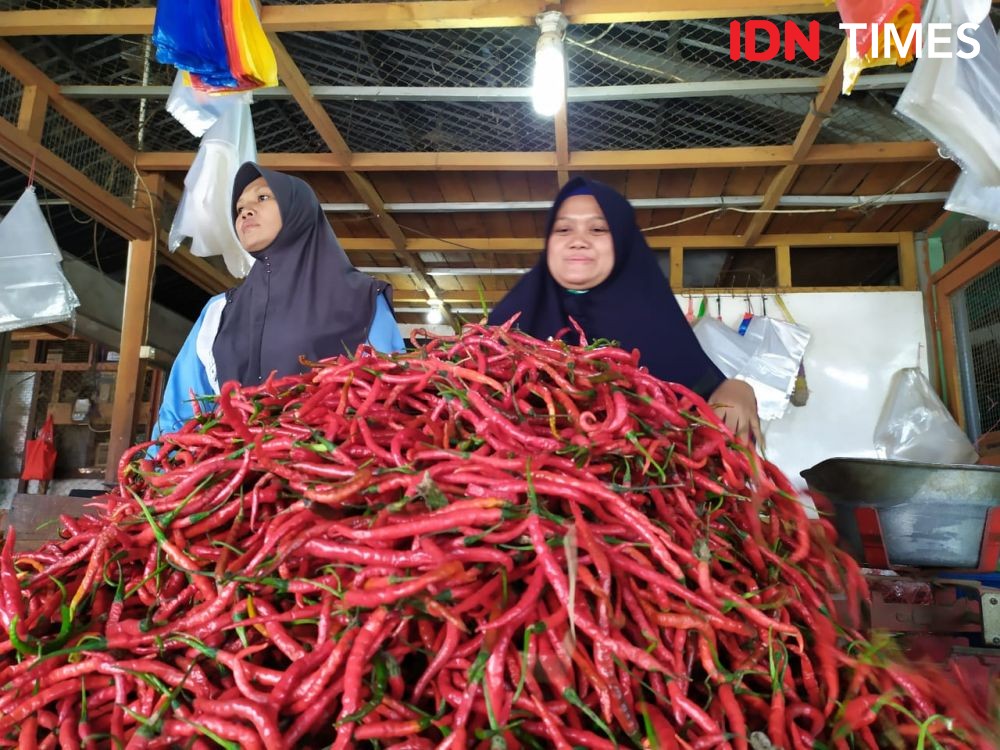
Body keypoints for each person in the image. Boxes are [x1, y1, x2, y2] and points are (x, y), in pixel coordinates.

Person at [488, 176, 762, 444]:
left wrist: (736, 390)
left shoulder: (656, 322)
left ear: (622, 240)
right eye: (563, 230)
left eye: (597, 229)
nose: (578, 240)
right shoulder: (507, 323)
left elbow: (701, 406)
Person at [153, 162, 404, 438]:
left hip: (332, 470)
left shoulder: (363, 298)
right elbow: (179, 412)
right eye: (239, 209)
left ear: (299, 209)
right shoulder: (219, 312)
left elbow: (391, 398)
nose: (246, 212)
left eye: (262, 198)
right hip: (231, 474)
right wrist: (157, 469)